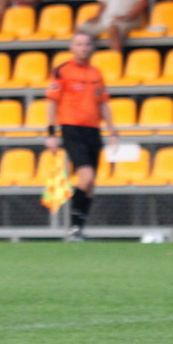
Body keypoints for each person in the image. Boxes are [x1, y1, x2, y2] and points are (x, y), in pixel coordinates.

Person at [46, 32, 117, 240]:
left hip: (93, 131)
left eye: (87, 44)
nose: (84, 48)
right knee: (86, 177)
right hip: (72, 129)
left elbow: (103, 103)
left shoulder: (96, 74)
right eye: (79, 44)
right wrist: (51, 133)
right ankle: (74, 226)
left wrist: (113, 130)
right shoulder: (62, 71)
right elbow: (52, 102)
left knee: (91, 183)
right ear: (72, 47)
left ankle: (78, 228)